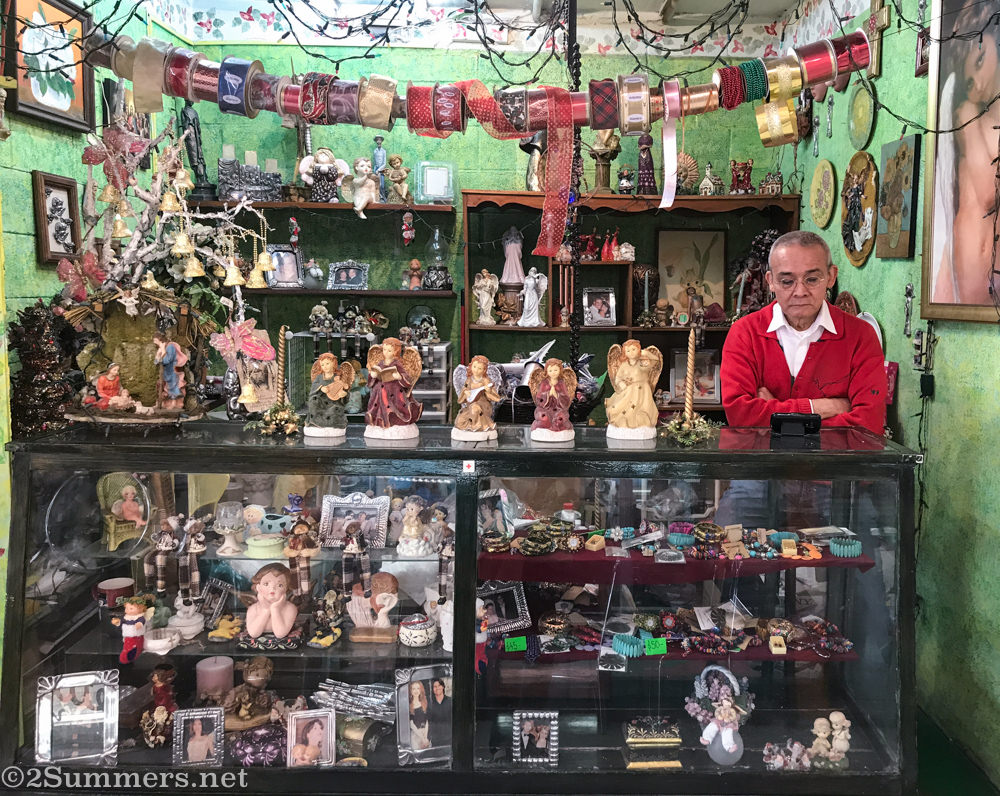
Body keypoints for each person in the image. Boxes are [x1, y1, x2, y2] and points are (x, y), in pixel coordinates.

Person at [720, 230, 886, 435]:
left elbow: (868, 424)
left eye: (812, 279)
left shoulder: (861, 335)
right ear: (770, 281)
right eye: (787, 281)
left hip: (836, 466)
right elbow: (742, 416)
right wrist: (822, 408)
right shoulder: (744, 333)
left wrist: (777, 418)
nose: (800, 292)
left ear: (831, 276)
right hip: (761, 464)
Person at [427, 678, 451, 747]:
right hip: (436, 740)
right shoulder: (430, 704)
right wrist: (428, 738)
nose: (437, 688)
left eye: (439, 685)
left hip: (449, 738)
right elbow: (429, 722)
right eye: (435, 686)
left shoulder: (450, 701)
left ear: (443, 687)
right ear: (432, 689)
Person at [409, 682, 431, 750]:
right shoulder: (409, 704)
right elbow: (411, 724)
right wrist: (422, 738)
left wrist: (425, 737)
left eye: (418, 688)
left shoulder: (425, 702)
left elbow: (427, 720)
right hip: (415, 734)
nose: (416, 691)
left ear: (421, 690)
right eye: (413, 689)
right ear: (411, 690)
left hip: (425, 733)